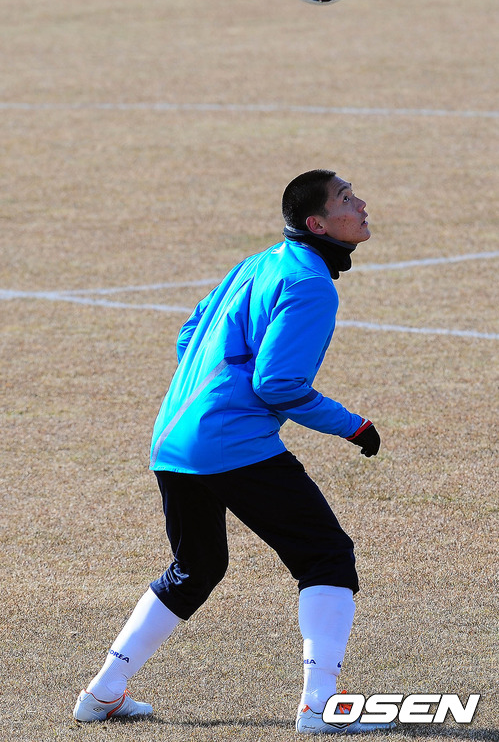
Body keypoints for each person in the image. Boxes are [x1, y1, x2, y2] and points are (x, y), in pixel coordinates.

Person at [73, 169, 394, 734]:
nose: (361, 204)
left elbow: (189, 332)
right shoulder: (310, 283)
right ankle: (321, 707)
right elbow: (278, 384)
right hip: (230, 443)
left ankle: (102, 693)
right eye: (346, 198)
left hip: (174, 438)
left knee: (196, 568)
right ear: (318, 224)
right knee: (325, 557)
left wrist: (210, 395)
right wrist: (354, 426)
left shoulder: (259, 262)